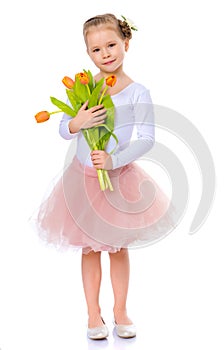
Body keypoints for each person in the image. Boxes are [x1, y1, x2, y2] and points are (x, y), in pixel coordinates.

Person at [33, 13, 175, 340]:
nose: (106, 54)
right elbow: (62, 130)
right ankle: (93, 314)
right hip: (82, 179)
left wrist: (113, 160)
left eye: (112, 45)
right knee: (88, 248)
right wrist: (76, 122)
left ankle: (121, 310)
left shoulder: (137, 92)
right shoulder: (85, 88)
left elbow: (147, 138)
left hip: (118, 178)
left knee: (118, 248)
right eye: (96, 50)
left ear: (126, 43)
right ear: (88, 54)